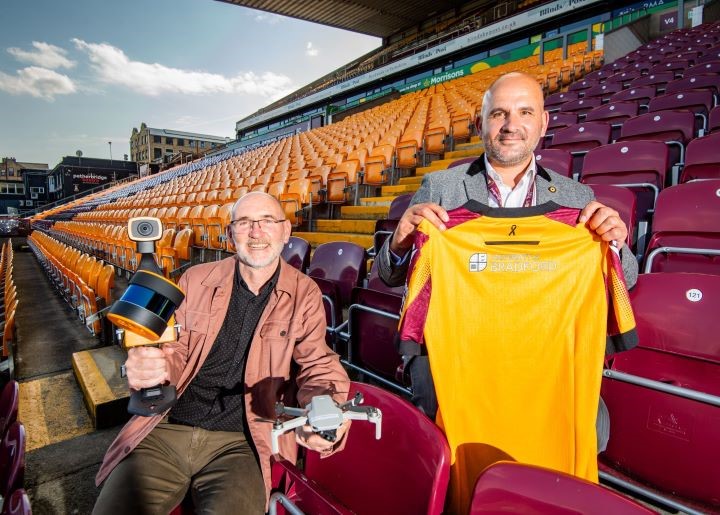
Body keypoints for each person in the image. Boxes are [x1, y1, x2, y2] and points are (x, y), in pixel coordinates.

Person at [377, 71, 638, 418]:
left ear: (543, 123)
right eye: (499, 113)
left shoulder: (577, 197)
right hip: (457, 353)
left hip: (544, 355)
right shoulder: (440, 186)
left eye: (525, 113)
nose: (510, 125)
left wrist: (615, 244)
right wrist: (398, 243)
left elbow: (626, 279)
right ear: (480, 122)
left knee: (590, 428)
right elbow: (389, 276)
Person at [94, 192, 350, 515]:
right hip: (168, 429)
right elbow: (177, 348)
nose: (256, 232)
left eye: (267, 221)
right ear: (230, 235)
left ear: (285, 232)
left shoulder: (305, 293)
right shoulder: (195, 279)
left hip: (241, 442)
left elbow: (318, 364)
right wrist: (157, 367)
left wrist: (324, 406)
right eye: (244, 223)